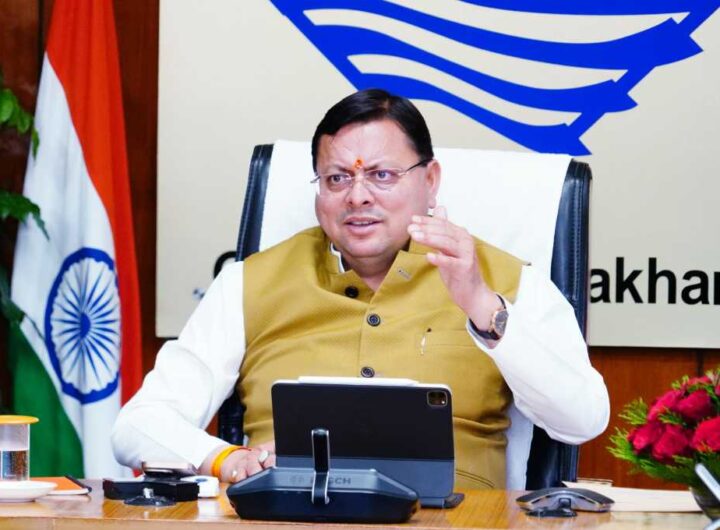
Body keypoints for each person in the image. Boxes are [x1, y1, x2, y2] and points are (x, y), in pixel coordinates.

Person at [112, 89, 609, 489]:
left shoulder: (506, 280)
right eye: (336, 178)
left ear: (431, 180)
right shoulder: (248, 283)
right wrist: (226, 459)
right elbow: (138, 424)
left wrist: (483, 307)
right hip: (287, 519)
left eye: (382, 175)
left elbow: (582, 419)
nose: (358, 196)